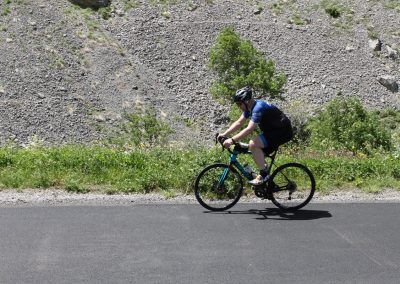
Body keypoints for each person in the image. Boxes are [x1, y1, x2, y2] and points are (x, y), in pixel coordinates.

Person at [218, 86, 293, 185]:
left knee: (253, 143)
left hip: (282, 132)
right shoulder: (249, 108)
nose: (238, 106)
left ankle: (264, 176)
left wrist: (231, 140)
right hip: (273, 131)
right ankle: (267, 183)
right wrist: (224, 134)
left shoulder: (258, 108)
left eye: (239, 104)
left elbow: (249, 129)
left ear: (247, 101)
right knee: (255, 151)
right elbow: (239, 123)